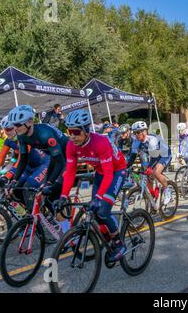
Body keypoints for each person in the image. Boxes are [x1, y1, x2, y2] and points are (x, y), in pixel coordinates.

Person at [55, 109, 127, 262]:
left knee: (102, 210)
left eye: (76, 132)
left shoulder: (100, 143)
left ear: (86, 130)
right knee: (95, 213)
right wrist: (63, 196)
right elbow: (70, 173)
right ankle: (108, 236)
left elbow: (109, 174)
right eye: (69, 132)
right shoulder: (71, 146)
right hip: (101, 172)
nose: (72, 136)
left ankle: (119, 243)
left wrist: (99, 197)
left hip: (116, 171)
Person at [7, 105, 70, 232]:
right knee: (45, 196)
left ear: (30, 122)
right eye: (13, 125)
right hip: (54, 156)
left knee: (53, 193)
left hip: (68, 155)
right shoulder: (22, 135)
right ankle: (59, 223)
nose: (15, 128)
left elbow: (60, 162)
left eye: (18, 125)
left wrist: (50, 183)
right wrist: (13, 181)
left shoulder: (45, 134)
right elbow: (22, 160)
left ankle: (68, 232)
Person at [0, 116, 49, 209]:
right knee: (14, 189)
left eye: (9, 129)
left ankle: (36, 217)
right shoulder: (8, 141)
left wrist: (7, 176)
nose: (7, 132)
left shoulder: (24, 138)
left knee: (29, 185)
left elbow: (20, 161)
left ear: (15, 128)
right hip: (28, 167)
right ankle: (27, 212)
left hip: (42, 164)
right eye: (5, 129)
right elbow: (0, 158)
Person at [127, 121, 173, 209]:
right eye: (134, 132)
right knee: (147, 175)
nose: (136, 135)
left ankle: (167, 190)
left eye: (138, 132)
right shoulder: (136, 142)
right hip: (153, 155)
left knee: (156, 172)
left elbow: (155, 158)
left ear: (144, 132)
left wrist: (149, 168)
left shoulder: (152, 140)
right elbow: (132, 157)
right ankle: (153, 196)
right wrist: (126, 167)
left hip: (164, 155)